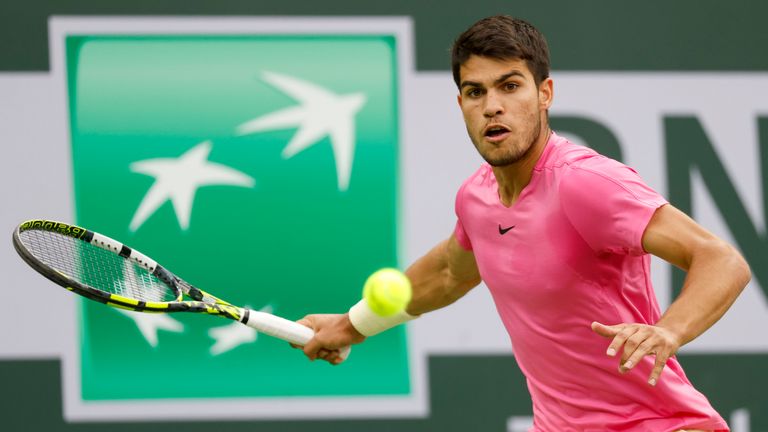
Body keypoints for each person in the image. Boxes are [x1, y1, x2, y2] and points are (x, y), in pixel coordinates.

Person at [295, 15, 751, 432]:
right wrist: (351, 326)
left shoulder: (585, 183)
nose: (492, 106)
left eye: (509, 86)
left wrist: (668, 330)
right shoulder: (476, 198)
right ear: (461, 104)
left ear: (545, 93)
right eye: (476, 92)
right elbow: (450, 273)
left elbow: (721, 259)